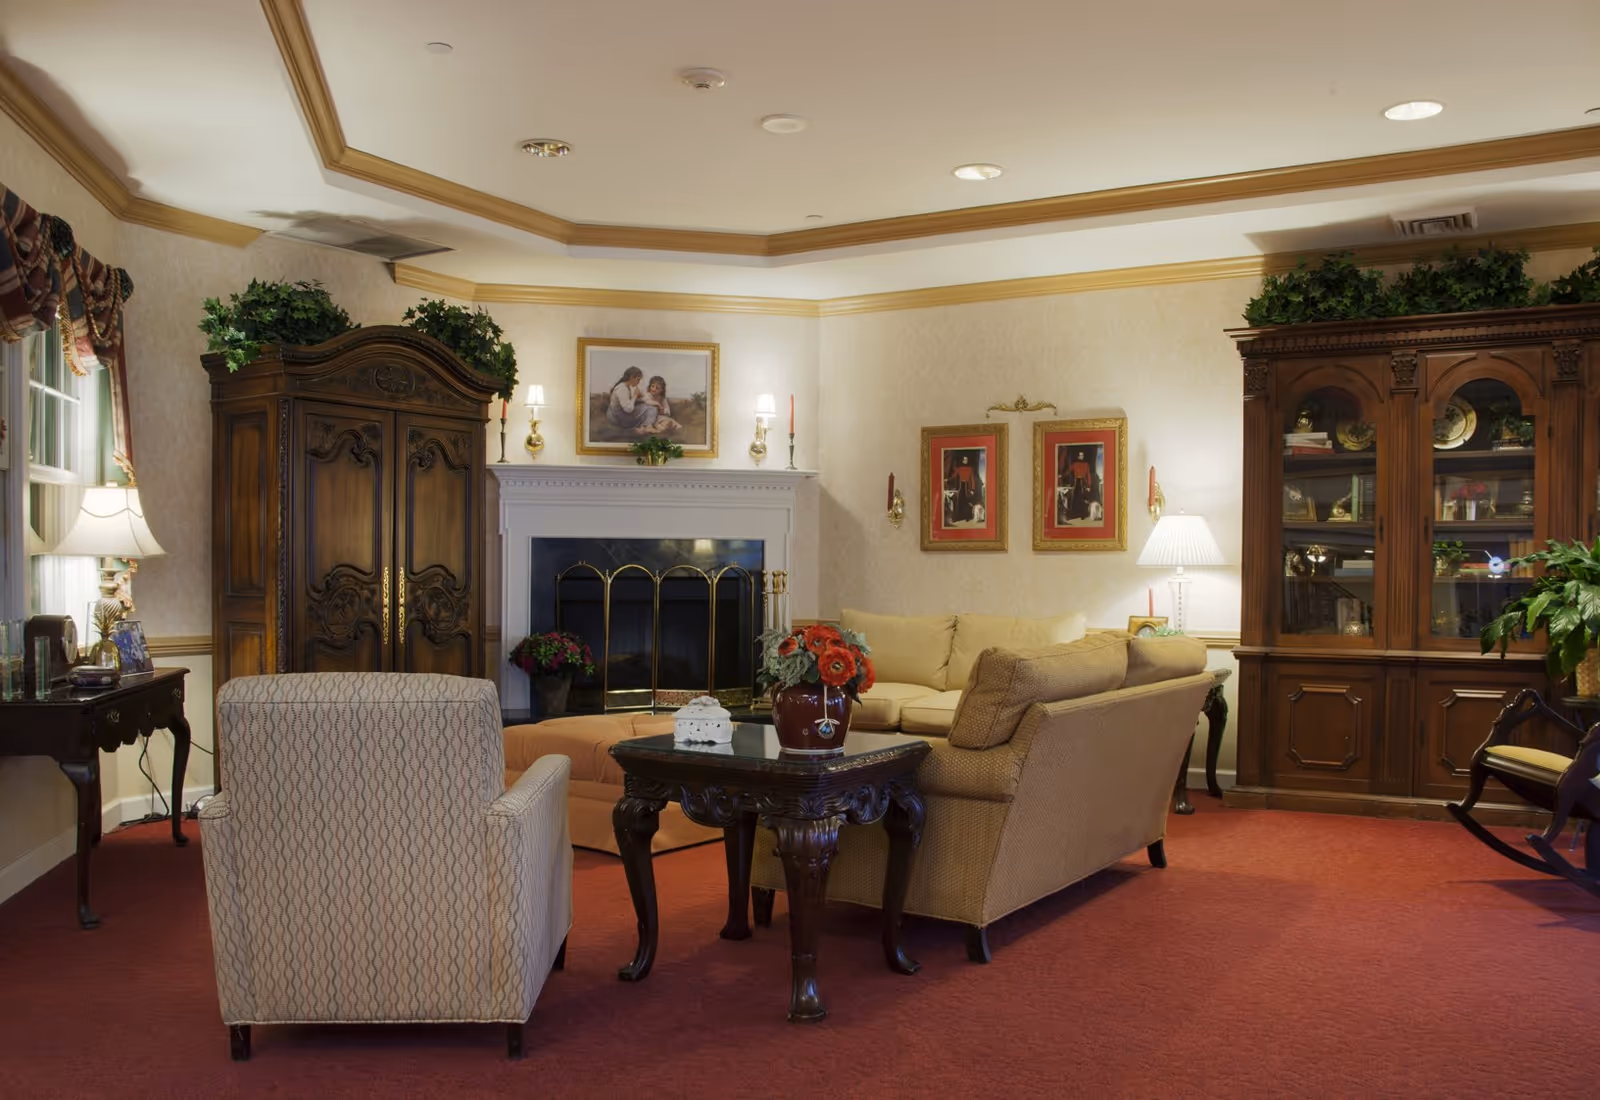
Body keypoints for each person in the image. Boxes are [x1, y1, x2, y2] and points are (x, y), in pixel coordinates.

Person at [605, 366, 658, 433]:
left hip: (616, 415)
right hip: (618, 417)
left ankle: (645, 426)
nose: (638, 382)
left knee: (646, 407)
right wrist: (635, 396)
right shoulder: (622, 389)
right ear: (632, 377)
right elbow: (628, 409)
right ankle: (647, 427)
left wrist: (639, 399)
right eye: (638, 379)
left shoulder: (626, 386)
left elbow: (627, 402)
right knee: (652, 409)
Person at [1059, 446, 1100, 522]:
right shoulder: (1075, 464)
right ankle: (1074, 514)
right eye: (1080, 455)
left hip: (1083, 483)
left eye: (1082, 456)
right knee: (1074, 498)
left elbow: (1088, 475)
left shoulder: (1086, 464)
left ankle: (1082, 514)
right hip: (1075, 483)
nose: (1082, 456)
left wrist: (1089, 485)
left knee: (1083, 498)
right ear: (1078, 456)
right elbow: (1068, 471)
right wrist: (1062, 475)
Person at [945, 452, 983, 525]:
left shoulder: (970, 469)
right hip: (960, 486)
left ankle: (967, 517)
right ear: (962, 460)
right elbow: (954, 476)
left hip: (967, 487)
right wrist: (948, 480)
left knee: (967, 502)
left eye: (966, 460)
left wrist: (972, 489)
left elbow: (972, 479)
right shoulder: (959, 469)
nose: (965, 461)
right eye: (964, 460)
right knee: (959, 501)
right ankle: (958, 517)